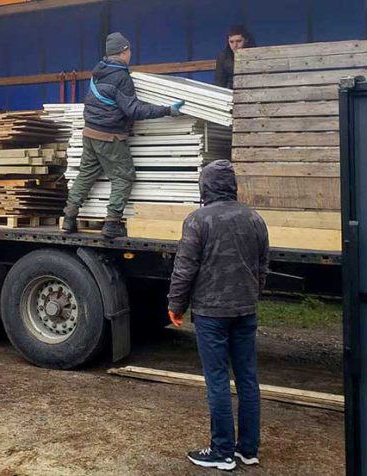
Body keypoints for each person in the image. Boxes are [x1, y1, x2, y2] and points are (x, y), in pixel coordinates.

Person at [167, 160, 270, 471]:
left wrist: (175, 304)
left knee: (218, 381)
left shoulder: (197, 221)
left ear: (205, 187)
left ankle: (222, 452)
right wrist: (253, 295)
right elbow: (263, 264)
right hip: (245, 309)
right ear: (233, 186)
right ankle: (248, 450)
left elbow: (185, 269)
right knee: (248, 380)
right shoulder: (255, 219)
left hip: (211, 313)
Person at [62, 31, 184, 239]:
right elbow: (134, 110)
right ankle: (111, 223)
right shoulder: (121, 77)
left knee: (86, 174)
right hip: (110, 136)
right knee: (123, 176)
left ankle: (68, 219)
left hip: (90, 133)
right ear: (124, 51)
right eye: (129, 50)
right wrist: (167, 110)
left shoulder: (99, 71)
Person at [214, 25, 256, 89]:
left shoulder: (255, 55)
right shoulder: (223, 57)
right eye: (231, 42)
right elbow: (219, 82)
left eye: (239, 41)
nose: (235, 45)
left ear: (246, 40)